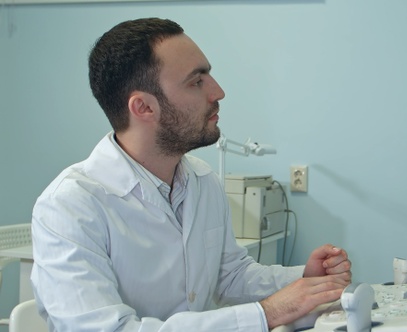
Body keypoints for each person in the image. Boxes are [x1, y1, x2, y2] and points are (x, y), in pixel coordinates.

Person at [31, 18, 352, 331]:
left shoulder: (202, 180)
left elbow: (229, 275)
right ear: (143, 108)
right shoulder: (70, 206)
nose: (218, 92)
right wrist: (267, 314)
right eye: (196, 81)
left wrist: (303, 279)